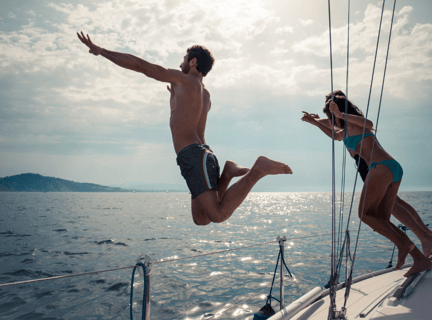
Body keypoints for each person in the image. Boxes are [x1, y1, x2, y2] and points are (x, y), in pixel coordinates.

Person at [77, 32, 292, 226]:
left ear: (193, 61)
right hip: (204, 154)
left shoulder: (182, 80)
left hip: (192, 155)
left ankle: (258, 170)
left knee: (216, 215)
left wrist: (102, 51)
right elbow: (192, 128)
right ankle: (226, 174)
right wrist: (173, 100)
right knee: (201, 219)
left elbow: (142, 67)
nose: (181, 62)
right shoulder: (205, 95)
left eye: (183, 58)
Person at [301, 90, 431, 277]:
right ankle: (419, 258)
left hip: (381, 167)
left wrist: (339, 114)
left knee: (364, 214)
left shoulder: (354, 125)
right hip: (390, 169)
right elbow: (335, 135)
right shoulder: (345, 131)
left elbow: (369, 124)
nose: (331, 120)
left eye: (331, 116)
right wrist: (315, 122)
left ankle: (408, 244)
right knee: (382, 221)